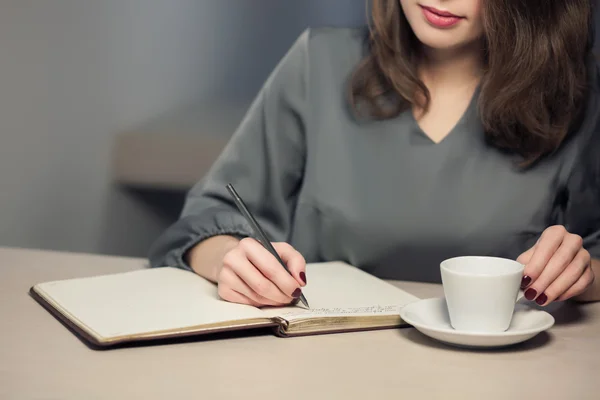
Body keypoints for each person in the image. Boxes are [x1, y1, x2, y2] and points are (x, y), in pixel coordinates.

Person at [149, 0, 600, 308]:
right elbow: (208, 220)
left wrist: (582, 276)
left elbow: (593, 258)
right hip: (319, 364)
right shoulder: (319, 62)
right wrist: (231, 260)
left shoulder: (576, 91)